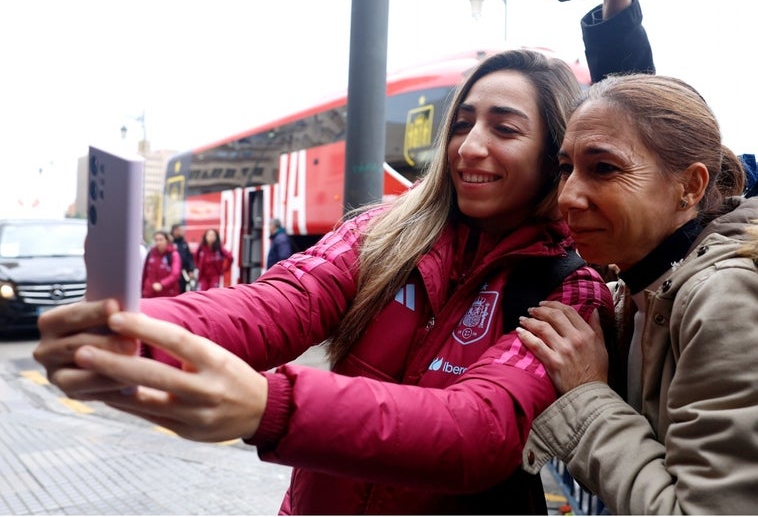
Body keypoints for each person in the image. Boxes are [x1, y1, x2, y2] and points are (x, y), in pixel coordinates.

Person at [34, 49, 614, 515]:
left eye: (505, 129)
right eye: (461, 124)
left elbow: (478, 430)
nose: (471, 146)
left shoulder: (572, 291)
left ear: (553, 155)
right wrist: (133, 329)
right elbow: (277, 303)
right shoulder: (379, 232)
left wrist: (271, 407)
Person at [516, 73, 758, 514]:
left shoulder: (722, 295)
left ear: (690, 186)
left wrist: (586, 394)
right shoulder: (639, 286)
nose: (567, 196)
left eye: (603, 168)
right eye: (565, 168)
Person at [141, 230, 182, 298]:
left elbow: (175, 274)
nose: (158, 242)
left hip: (168, 293)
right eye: (156, 240)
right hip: (150, 293)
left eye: (161, 240)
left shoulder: (173, 254)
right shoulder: (151, 253)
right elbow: (145, 273)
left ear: (167, 240)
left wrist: (162, 284)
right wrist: (143, 289)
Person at [170, 224, 196, 293]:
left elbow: (189, 257)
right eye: (180, 230)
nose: (182, 232)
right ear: (174, 231)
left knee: (182, 290)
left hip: (183, 273)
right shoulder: (170, 243)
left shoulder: (184, 243)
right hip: (172, 272)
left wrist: (191, 270)